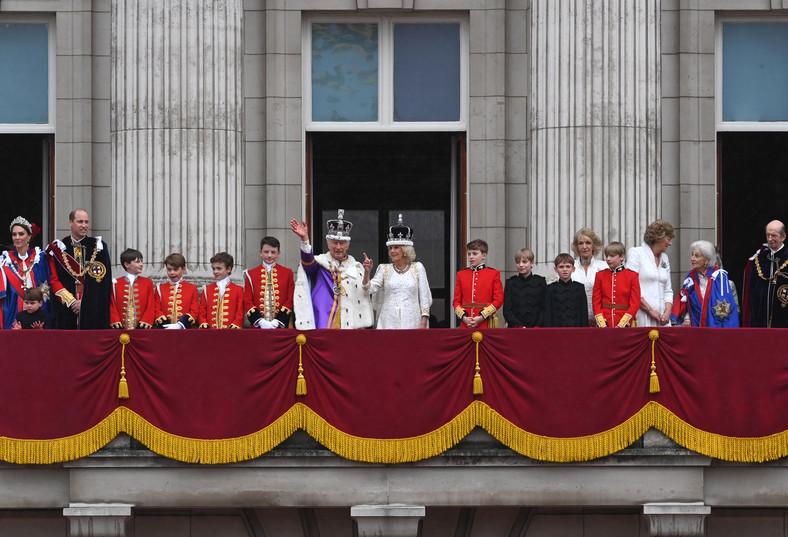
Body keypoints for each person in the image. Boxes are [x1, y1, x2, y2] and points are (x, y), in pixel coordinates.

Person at [290, 210, 374, 329]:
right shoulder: (321, 263)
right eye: (335, 243)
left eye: (342, 243)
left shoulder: (356, 267)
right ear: (328, 244)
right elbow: (308, 263)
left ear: (348, 245)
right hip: (325, 320)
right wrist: (305, 240)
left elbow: (365, 292)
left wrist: (367, 272)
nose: (338, 247)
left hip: (352, 324)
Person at [1, 216, 74, 329]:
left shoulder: (41, 258)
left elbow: (52, 282)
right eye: (14, 234)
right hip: (14, 309)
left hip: (38, 310)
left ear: (29, 236)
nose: (17, 238)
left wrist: (70, 300)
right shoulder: (5, 260)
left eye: (21, 234)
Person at [362, 214, 432, 329]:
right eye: (390, 248)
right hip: (388, 322)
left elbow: (425, 298)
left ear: (405, 249)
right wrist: (367, 272)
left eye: (396, 247)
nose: (392, 251)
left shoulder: (418, 268)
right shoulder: (384, 269)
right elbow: (369, 289)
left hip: (412, 321)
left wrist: (423, 323)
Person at [46, 209, 112, 329]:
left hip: (93, 309)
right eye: (80, 222)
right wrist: (71, 302)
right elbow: (54, 280)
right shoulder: (59, 248)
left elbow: (104, 282)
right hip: (66, 309)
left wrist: (85, 302)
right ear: (71, 222)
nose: (84, 226)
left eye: (86, 222)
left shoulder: (99, 247)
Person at [670, 240, 739, 327]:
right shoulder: (690, 277)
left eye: (697, 256)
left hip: (715, 328)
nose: (692, 258)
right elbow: (687, 304)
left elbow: (725, 310)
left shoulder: (719, 277)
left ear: (706, 260)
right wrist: (687, 319)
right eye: (692, 255)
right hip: (696, 327)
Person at [626, 219, 674, 327]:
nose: (670, 243)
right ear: (659, 237)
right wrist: (650, 311)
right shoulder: (636, 253)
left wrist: (667, 312)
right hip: (641, 314)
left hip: (662, 318)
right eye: (668, 239)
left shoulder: (665, 258)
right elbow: (632, 287)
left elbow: (668, 290)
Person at [743, 220, 788, 327]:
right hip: (761, 318)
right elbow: (751, 291)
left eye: (774, 235)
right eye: (768, 235)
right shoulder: (758, 259)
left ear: (783, 237)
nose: (770, 239)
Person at [243, 237, 294, 329]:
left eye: (273, 252)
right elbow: (247, 301)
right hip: (258, 328)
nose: (269, 255)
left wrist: (278, 320)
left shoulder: (287, 273)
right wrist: (260, 321)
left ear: (278, 254)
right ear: (260, 253)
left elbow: (290, 299)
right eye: (266, 252)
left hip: (280, 327)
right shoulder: (250, 274)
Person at [453, 239, 504, 329]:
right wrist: (464, 318)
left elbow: (498, 300)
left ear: (484, 255)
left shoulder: (493, 274)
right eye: (469, 254)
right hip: (466, 323)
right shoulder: (461, 274)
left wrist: (482, 316)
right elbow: (456, 301)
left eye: (475, 253)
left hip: (485, 322)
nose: (471, 257)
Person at [593, 242, 641, 328]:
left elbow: (635, 303)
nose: (608, 259)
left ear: (622, 257)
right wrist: (602, 323)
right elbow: (596, 302)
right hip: (605, 322)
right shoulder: (600, 275)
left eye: (612, 256)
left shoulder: (632, 276)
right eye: (607, 256)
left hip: (624, 322)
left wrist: (623, 324)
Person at [109, 249, 158, 329]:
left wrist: (146, 321)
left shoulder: (148, 282)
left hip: (142, 328)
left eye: (142, 261)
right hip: (120, 329)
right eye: (137, 262)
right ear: (127, 264)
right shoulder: (115, 283)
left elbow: (151, 304)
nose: (141, 264)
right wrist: (114, 320)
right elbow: (112, 304)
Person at [570, 228, 607, 326]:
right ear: (576, 246)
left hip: (601, 320)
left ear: (594, 245)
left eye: (588, 243)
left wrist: (598, 317)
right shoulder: (570, 266)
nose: (584, 246)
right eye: (581, 243)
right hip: (575, 320)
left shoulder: (604, 266)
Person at [199, 252, 244, 329]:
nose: (215, 272)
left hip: (231, 333)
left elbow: (240, 312)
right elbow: (202, 312)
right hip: (211, 333)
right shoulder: (207, 290)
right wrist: (204, 323)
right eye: (213, 268)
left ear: (228, 269)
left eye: (219, 269)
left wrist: (236, 324)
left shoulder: (238, 290)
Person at [154, 253, 199, 329]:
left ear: (183, 269)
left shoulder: (192, 288)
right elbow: (156, 309)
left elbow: (194, 310)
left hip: (186, 331)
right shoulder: (160, 289)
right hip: (164, 330)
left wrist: (180, 325)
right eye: (169, 269)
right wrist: (166, 325)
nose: (172, 272)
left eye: (175, 269)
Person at [502, 248, 545, 328]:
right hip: (516, 329)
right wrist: (519, 326)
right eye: (518, 262)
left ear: (532, 263)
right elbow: (507, 310)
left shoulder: (540, 282)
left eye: (524, 262)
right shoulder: (511, 283)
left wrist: (538, 326)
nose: (521, 265)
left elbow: (544, 308)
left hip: (537, 329)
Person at [544, 253, 587, 327]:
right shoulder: (550, 289)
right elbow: (548, 313)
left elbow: (583, 313)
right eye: (561, 267)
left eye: (568, 266)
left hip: (576, 330)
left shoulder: (580, 288)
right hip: (556, 330)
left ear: (573, 269)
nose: (565, 269)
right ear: (556, 269)